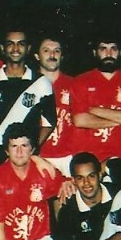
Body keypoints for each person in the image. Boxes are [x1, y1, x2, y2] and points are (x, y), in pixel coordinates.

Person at [70, 32, 121, 162]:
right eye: (103, 49)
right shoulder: (81, 81)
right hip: (87, 159)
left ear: (120, 52)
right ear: (95, 52)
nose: (109, 54)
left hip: (120, 157)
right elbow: (80, 120)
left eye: (113, 49)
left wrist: (95, 110)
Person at [0, 29, 55, 148]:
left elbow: (49, 123)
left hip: (27, 155)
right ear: (2, 48)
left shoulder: (41, 82)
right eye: (10, 44)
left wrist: (31, 148)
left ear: (28, 49)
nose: (15, 48)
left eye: (21, 44)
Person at [37, 34, 79, 175]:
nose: (52, 55)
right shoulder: (29, 84)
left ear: (62, 56)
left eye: (57, 51)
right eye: (46, 50)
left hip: (69, 158)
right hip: (38, 157)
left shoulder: (75, 85)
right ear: (37, 56)